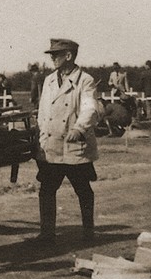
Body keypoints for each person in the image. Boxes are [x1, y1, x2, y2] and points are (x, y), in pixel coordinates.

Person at [33, 38, 103, 244]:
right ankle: (47, 234)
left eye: (56, 55)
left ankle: (88, 231)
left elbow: (90, 108)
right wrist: (42, 137)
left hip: (74, 146)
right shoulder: (49, 80)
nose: (52, 59)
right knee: (46, 190)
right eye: (52, 55)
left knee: (82, 189)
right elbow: (43, 111)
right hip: (52, 146)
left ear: (69, 56)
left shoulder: (85, 81)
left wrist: (79, 128)